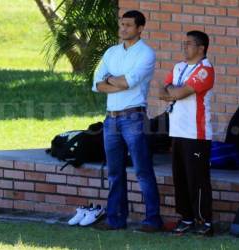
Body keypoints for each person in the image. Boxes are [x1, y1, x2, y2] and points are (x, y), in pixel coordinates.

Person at [92, 10, 163, 232]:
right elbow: (96, 84)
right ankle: (115, 219)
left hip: (133, 118)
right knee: (114, 172)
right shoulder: (111, 52)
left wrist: (109, 79)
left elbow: (129, 82)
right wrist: (115, 81)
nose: (123, 29)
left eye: (129, 25)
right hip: (110, 120)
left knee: (143, 171)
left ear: (140, 28)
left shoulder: (146, 54)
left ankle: (152, 220)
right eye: (122, 25)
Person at [159, 30, 214, 236]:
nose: (185, 47)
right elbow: (161, 90)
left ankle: (205, 221)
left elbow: (178, 92)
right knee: (180, 178)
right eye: (184, 43)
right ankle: (187, 218)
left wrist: (173, 91)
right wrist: (174, 91)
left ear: (201, 48)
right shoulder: (178, 66)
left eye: (189, 44)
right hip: (177, 132)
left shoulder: (205, 69)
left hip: (196, 134)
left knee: (197, 179)